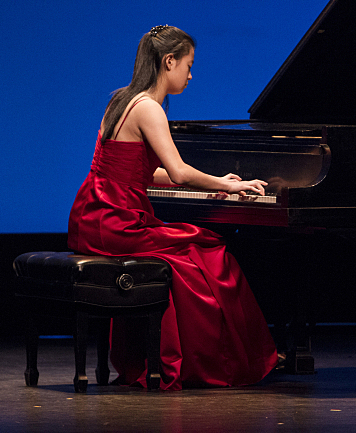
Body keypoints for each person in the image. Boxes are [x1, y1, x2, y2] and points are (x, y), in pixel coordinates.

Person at [68, 25, 278, 390]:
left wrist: (214, 183)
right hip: (118, 222)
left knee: (187, 251)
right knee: (209, 250)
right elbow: (179, 172)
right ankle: (218, 360)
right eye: (188, 65)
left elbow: (141, 172)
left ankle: (168, 354)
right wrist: (228, 184)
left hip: (92, 216)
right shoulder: (150, 108)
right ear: (169, 61)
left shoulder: (121, 99)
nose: (191, 75)